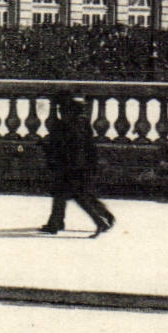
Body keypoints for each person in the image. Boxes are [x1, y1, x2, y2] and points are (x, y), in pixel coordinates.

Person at [38, 90, 113, 237]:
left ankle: (100, 221)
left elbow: (68, 145)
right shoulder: (79, 121)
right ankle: (56, 222)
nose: (59, 111)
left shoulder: (70, 123)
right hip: (77, 165)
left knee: (76, 195)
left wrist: (48, 148)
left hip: (73, 166)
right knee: (69, 193)